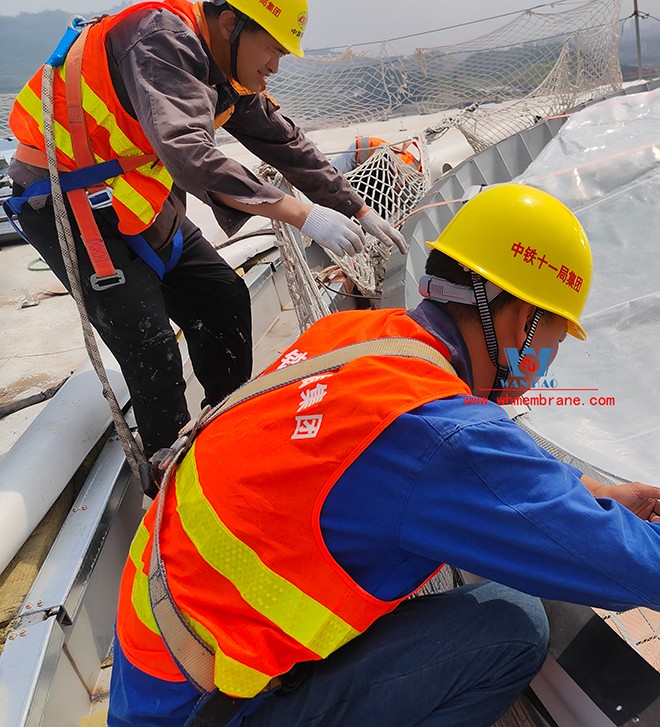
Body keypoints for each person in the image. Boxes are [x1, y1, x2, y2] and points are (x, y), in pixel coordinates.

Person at [108, 183, 660, 727]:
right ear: (518, 317)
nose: (545, 368)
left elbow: (462, 445)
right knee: (509, 627)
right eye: (551, 343)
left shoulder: (356, 341)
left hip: (159, 681)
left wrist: (590, 492)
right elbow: (653, 574)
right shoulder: (436, 440)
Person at [2, 0, 407, 460]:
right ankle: (165, 487)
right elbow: (190, 154)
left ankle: (226, 433)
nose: (275, 66)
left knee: (223, 298)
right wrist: (303, 214)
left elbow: (281, 139)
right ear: (230, 23)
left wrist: (354, 206)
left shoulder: (219, 65)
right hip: (66, 204)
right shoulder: (158, 41)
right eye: (272, 49)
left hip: (134, 196)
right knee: (151, 352)